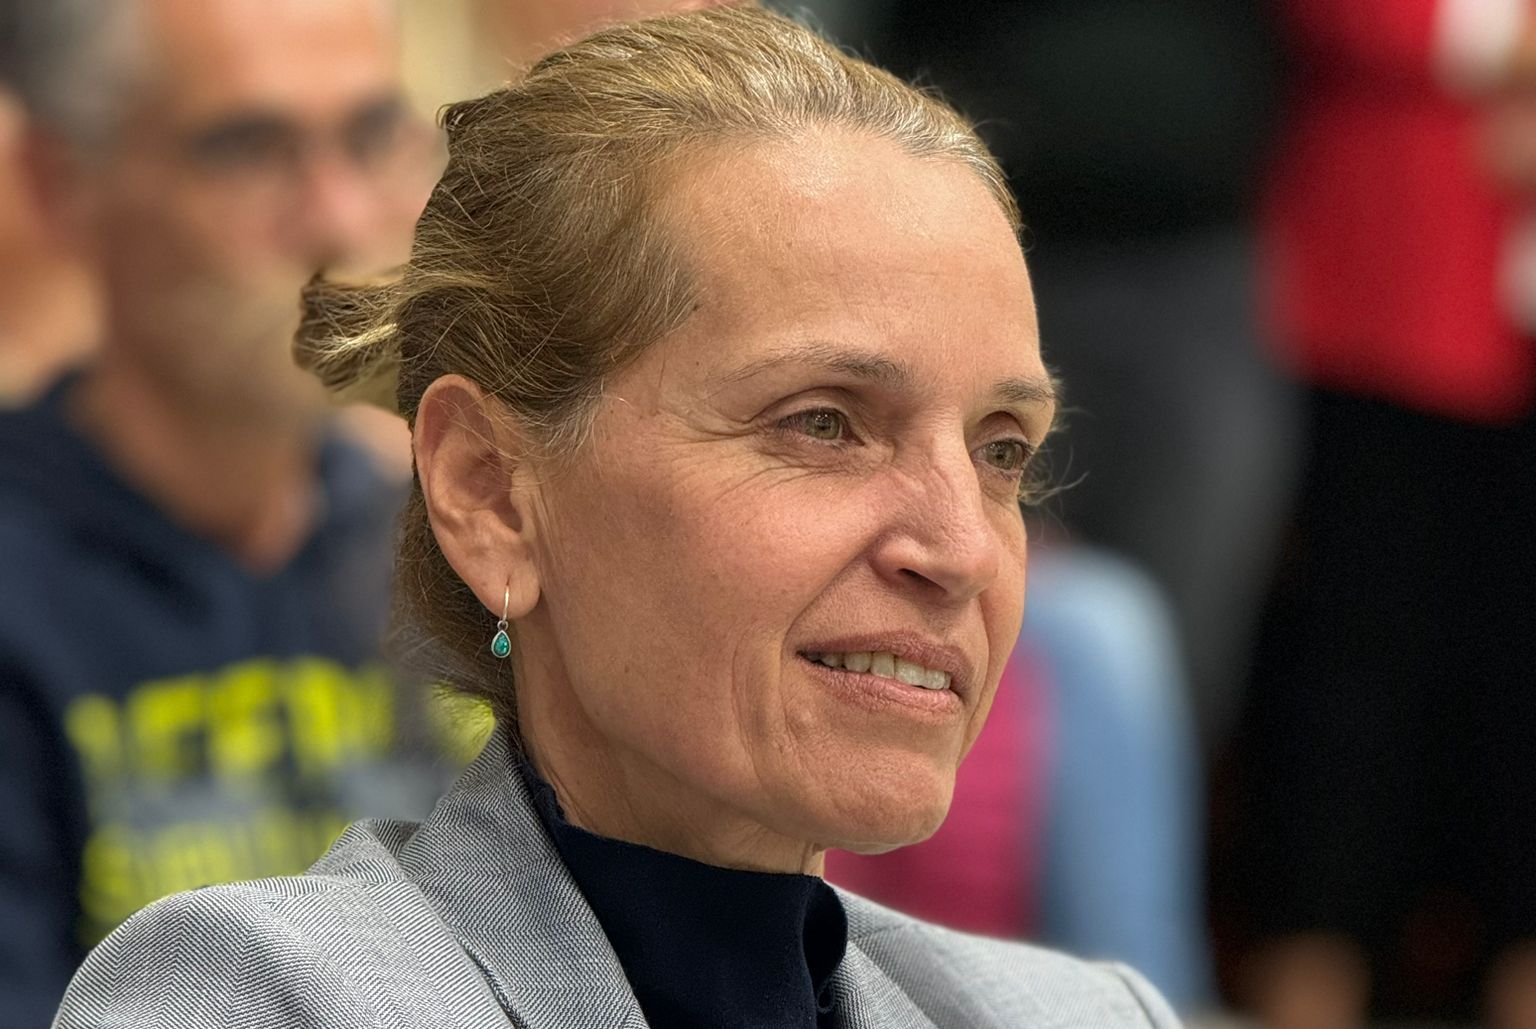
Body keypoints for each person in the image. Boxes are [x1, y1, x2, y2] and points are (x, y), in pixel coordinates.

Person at [54, 7, 1180, 1027]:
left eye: (1000, 450)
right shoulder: (263, 995)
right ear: (491, 493)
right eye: (823, 423)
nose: (962, 548)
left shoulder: (1085, 1015)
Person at [0, 0, 448, 1023]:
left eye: (372, 135)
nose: (338, 222)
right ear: (63, 184)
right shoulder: (22, 583)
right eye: (248, 149)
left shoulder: (445, 548)